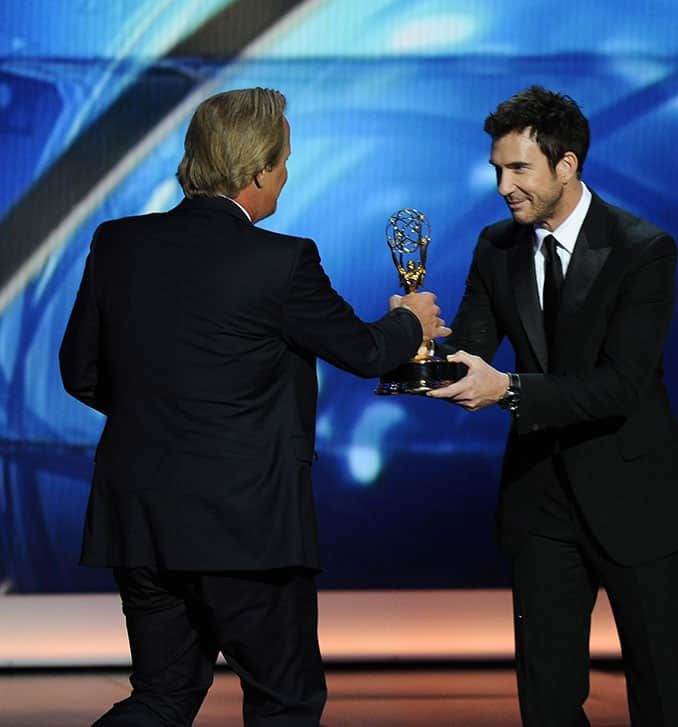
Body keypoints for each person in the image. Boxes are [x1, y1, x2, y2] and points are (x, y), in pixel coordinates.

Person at [58, 87, 448, 727]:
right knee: (285, 703)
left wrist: (164, 418)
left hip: (142, 524)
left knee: (162, 697)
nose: (286, 176)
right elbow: (366, 351)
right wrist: (410, 321)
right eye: (285, 161)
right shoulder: (282, 261)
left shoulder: (117, 244)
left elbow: (80, 372)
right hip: (249, 532)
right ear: (259, 169)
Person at [427, 86, 678, 726]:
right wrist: (416, 344)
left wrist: (511, 390)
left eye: (518, 169)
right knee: (548, 696)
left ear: (567, 165)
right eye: (497, 169)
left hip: (634, 490)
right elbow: (472, 347)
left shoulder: (643, 248)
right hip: (540, 498)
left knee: (665, 690)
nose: (503, 185)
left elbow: (622, 386)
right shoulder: (496, 246)